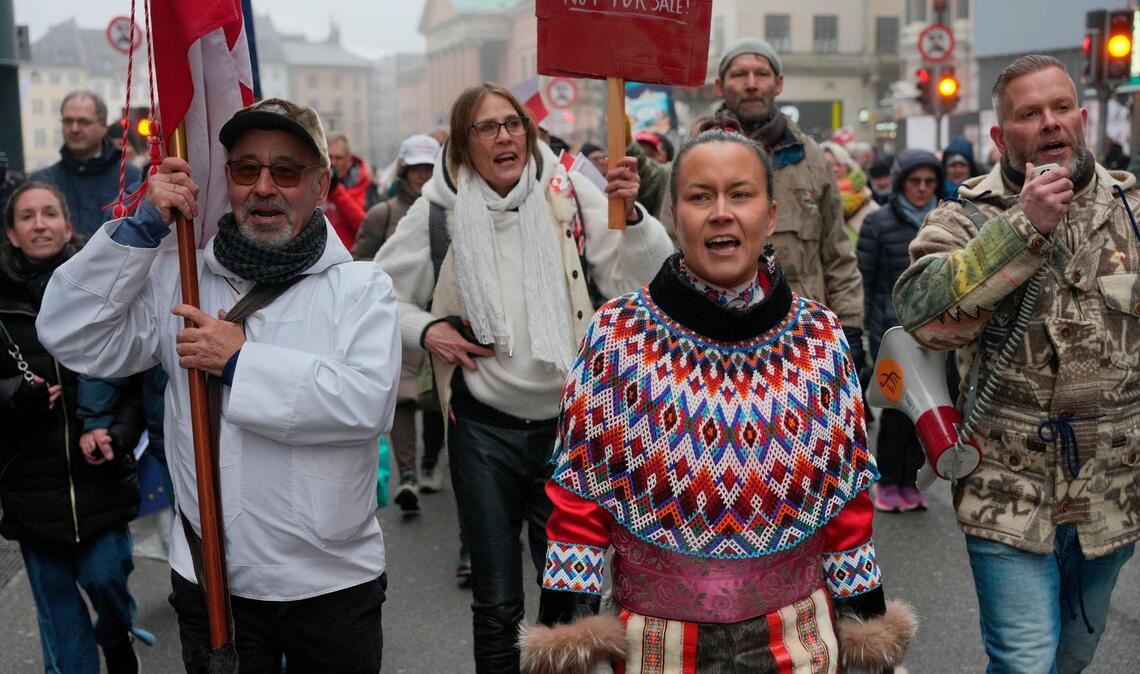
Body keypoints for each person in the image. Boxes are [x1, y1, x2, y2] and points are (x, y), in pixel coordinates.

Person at [520, 128, 915, 674]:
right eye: (701, 196)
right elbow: (578, 508)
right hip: (655, 645)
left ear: (771, 216)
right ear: (674, 213)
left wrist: (865, 629)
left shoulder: (820, 339)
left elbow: (845, 511)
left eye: (741, 194)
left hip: (797, 642)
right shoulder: (617, 337)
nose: (722, 212)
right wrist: (568, 638)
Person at [37, 98, 400, 673]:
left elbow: (367, 403)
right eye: (245, 169)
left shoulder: (360, 287)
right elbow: (71, 333)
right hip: (213, 578)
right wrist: (143, 226)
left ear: (320, 183)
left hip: (332, 582)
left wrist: (240, 363)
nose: (263, 187)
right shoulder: (180, 273)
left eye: (285, 171)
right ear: (224, 179)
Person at [375, 82, 673, 673]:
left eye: (512, 123)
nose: (505, 136)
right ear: (464, 145)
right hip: (483, 432)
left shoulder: (566, 189)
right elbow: (376, 296)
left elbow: (638, 281)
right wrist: (428, 330)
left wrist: (632, 216)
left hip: (571, 435)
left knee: (571, 602)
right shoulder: (437, 207)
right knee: (497, 603)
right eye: (486, 128)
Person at [894, 54, 1140, 673]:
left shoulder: (1132, 210)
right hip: (1009, 489)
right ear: (1001, 138)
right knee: (1025, 662)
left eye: (1061, 109)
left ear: (1082, 119)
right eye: (1029, 115)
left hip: (1112, 492)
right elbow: (920, 310)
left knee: (1074, 656)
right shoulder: (966, 215)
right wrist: (1021, 228)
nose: (1050, 124)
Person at [632, 37, 866, 376]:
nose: (752, 84)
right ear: (720, 84)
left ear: (778, 83)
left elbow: (837, 255)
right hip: (705, 343)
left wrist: (851, 327)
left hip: (800, 346)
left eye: (762, 73)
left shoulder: (812, 158)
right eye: (740, 74)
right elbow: (668, 245)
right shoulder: (692, 156)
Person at [0, 182, 143, 674]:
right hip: (31, 488)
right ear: (12, 234)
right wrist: (16, 398)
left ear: (67, 224)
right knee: (61, 622)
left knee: (108, 582)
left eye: (49, 213)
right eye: (26, 217)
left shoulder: (101, 285)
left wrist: (117, 434)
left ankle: (118, 634)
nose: (39, 223)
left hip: (100, 481)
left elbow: (135, 379)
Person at [353, 132, 444, 512]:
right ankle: (407, 476)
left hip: (442, 319)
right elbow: (360, 264)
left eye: (430, 168)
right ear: (404, 171)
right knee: (404, 399)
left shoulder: (449, 211)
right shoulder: (383, 214)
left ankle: (428, 463)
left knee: (438, 398)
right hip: (397, 322)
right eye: (417, 168)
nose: (423, 175)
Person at [858, 149, 946, 513]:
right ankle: (887, 482)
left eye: (929, 182)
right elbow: (864, 280)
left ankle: (910, 481)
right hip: (890, 331)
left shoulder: (945, 220)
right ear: (900, 182)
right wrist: (868, 330)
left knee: (925, 411)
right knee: (895, 412)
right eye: (915, 181)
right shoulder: (877, 223)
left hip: (937, 334)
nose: (923, 188)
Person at [30, 91, 142, 237]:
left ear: (103, 126)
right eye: (68, 121)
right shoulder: (41, 182)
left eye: (84, 122)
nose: (74, 129)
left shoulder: (132, 179)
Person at [821, 140, 879, 250]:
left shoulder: (865, 198)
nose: (835, 169)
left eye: (839, 164)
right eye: (828, 165)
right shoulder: (811, 202)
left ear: (848, 166)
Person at [324, 133, 377, 251]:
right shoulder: (316, 183)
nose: (333, 163)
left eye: (338, 158)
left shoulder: (366, 185)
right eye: (329, 157)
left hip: (353, 258)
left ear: (349, 159)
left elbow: (367, 229)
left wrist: (336, 191)